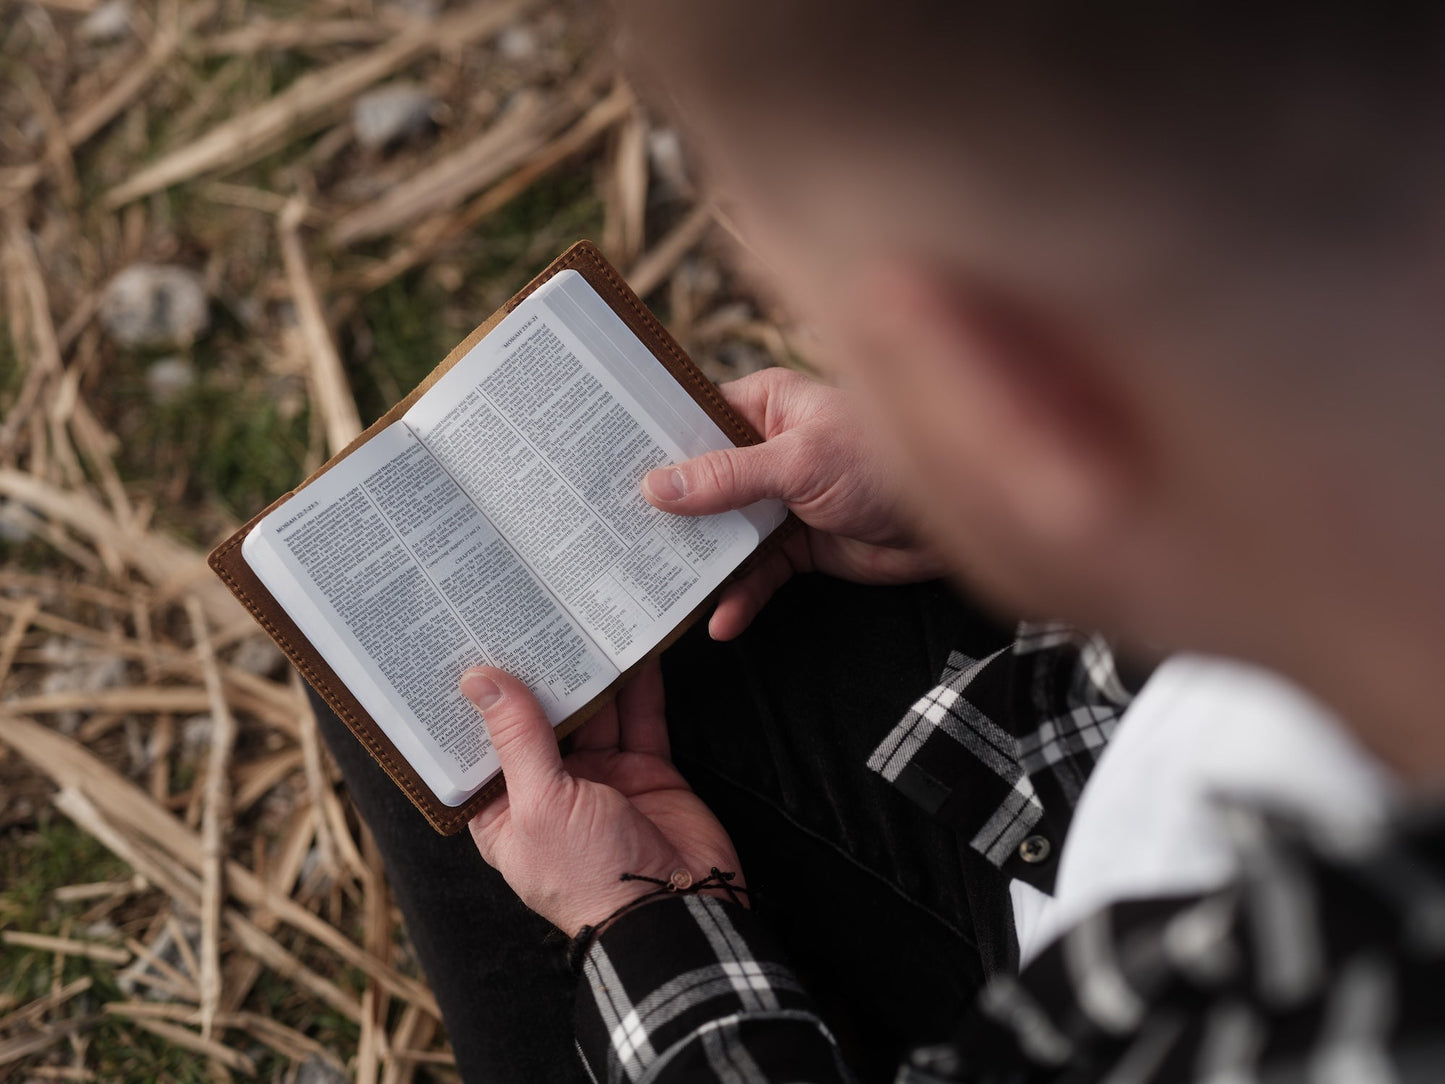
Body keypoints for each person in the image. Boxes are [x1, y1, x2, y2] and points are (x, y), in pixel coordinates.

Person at [316, 5, 1445, 1081]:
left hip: (1033, 922)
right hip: (1086, 720)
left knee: (447, 738)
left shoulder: (1260, 1018)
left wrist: (645, 917)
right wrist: (959, 492)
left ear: (1008, 389)